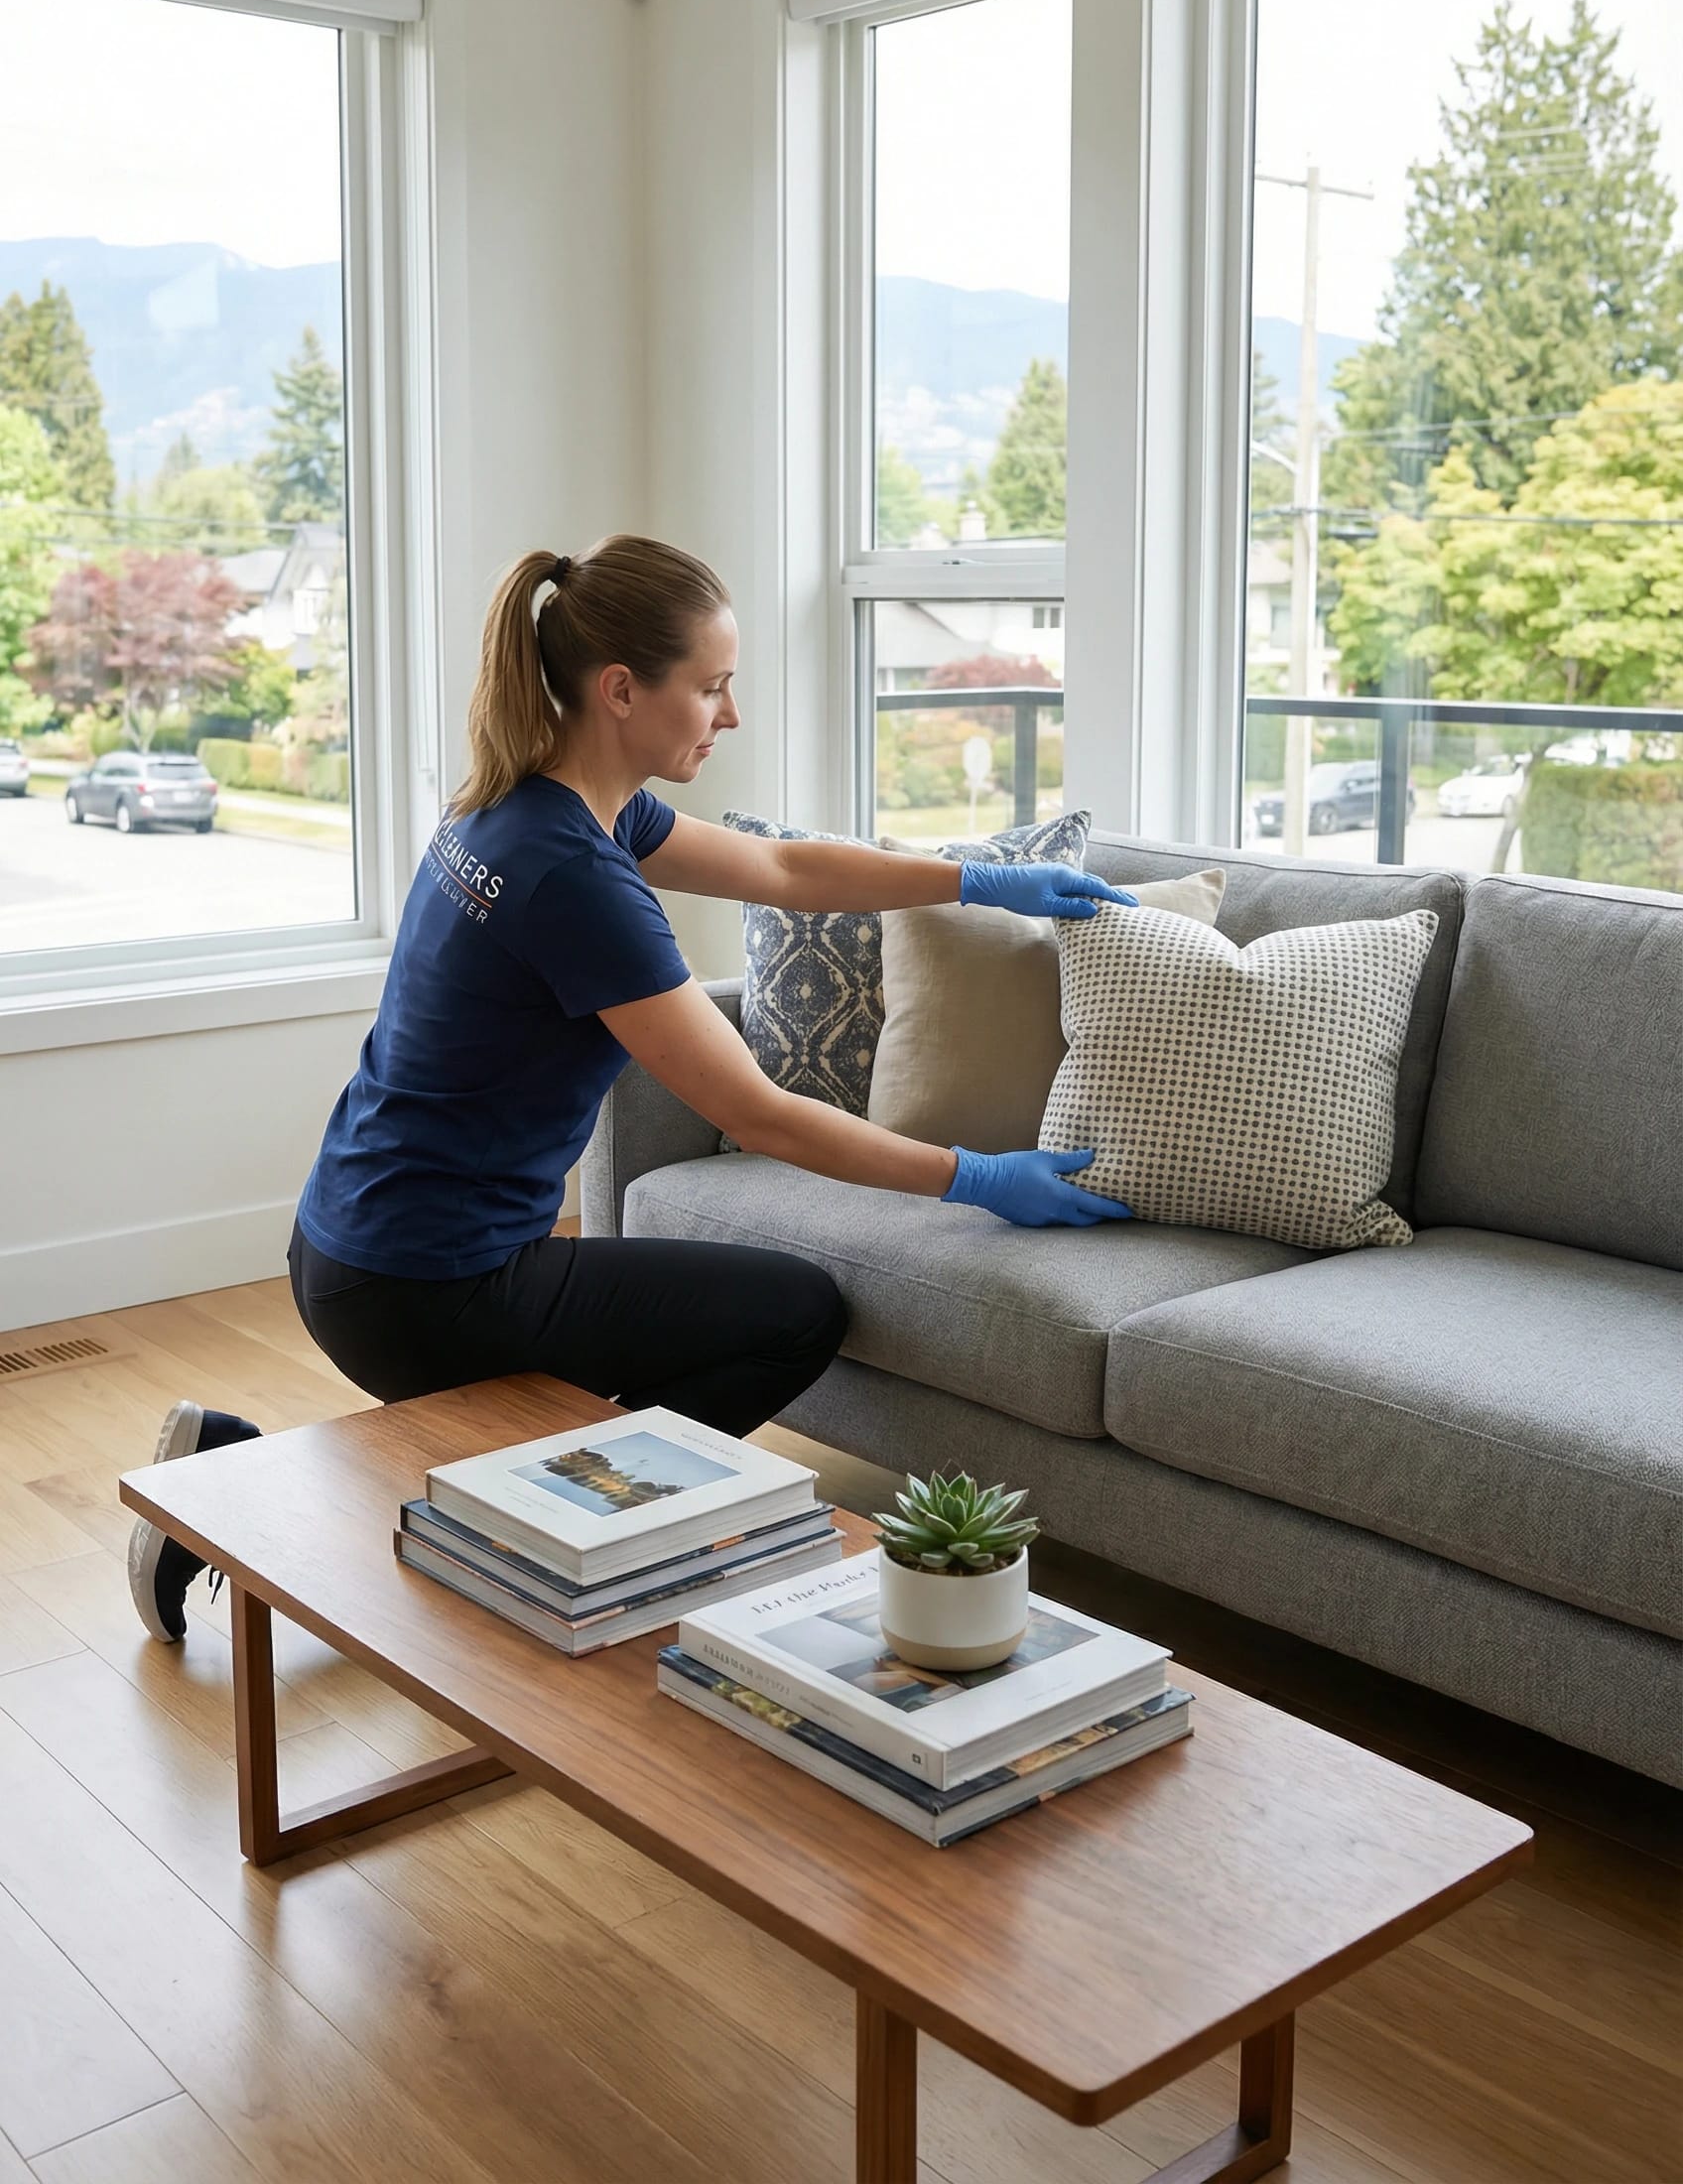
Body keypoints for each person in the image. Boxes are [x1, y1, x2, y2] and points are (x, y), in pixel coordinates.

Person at [128, 537, 1133, 1641]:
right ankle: (577, 1532)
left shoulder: (530, 806)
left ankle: (261, 1472)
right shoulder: (575, 877)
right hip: (430, 1288)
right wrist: (977, 1176)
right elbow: (754, 1111)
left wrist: (974, 878)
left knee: (594, 1393)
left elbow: (788, 870)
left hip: (347, 1245)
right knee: (792, 1313)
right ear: (621, 690)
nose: (729, 714)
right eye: (709, 686)